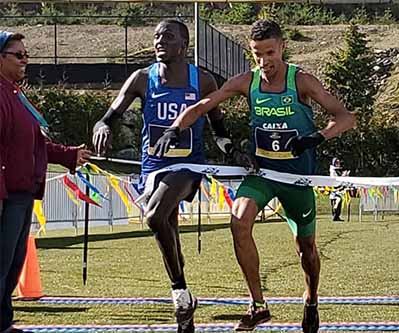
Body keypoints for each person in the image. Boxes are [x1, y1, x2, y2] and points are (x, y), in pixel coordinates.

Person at [161, 20, 356, 333]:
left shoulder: (301, 81)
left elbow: (346, 117)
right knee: (238, 219)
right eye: (257, 54)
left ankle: (311, 298)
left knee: (306, 248)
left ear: (282, 47)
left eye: (270, 52)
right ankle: (258, 304)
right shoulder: (247, 82)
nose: (265, 61)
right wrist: (174, 128)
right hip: (262, 173)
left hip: (297, 179)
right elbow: (203, 105)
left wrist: (315, 138)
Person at [92, 20, 244, 333]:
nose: (159, 41)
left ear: (184, 45)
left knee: (154, 217)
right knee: (166, 230)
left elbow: (218, 130)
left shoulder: (202, 80)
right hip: (153, 167)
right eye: (157, 36)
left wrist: (232, 152)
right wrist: (103, 126)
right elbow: (109, 116)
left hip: (188, 166)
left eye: (168, 36)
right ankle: (185, 299)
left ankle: (178, 291)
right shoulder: (141, 78)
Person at [0, 31, 91, 333]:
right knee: (1, 264)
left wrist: (69, 155)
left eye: (26, 54)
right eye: (18, 55)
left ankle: (3, 322)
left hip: (23, 193)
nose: (25, 60)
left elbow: (34, 144)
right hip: (7, 194)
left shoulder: (14, 94)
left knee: (13, 264)